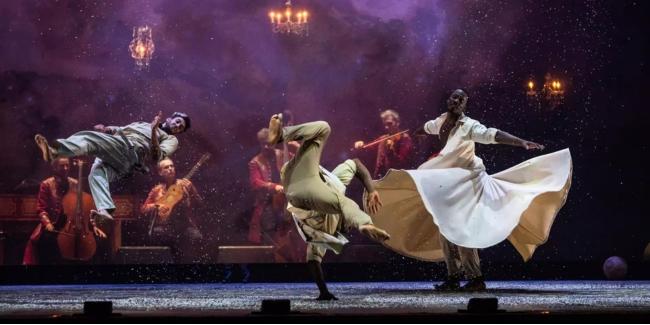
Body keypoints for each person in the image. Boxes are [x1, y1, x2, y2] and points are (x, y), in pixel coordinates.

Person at [369, 89, 572, 291]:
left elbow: (493, 135)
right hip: (450, 184)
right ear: (449, 101)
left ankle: (476, 278)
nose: (457, 101)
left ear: (465, 104)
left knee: (462, 230)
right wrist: (414, 130)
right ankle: (453, 276)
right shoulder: (441, 121)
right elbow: (425, 128)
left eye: (461, 99)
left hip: (469, 182)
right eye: (454, 98)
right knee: (445, 227)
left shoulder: (469, 126)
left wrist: (520, 142)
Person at [268, 114, 390, 300]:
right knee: (322, 129)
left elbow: (313, 260)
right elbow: (356, 164)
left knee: (344, 203)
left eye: (348, 226)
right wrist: (371, 189)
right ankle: (282, 134)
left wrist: (323, 291)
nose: (346, 225)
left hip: (300, 188)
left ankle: (364, 223)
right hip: (301, 173)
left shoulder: (326, 232)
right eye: (350, 224)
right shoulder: (337, 184)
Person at [34, 111, 191, 226]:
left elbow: (157, 156)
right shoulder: (142, 124)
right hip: (120, 156)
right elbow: (120, 130)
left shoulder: (171, 139)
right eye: (177, 122)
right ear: (170, 118)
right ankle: (105, 210)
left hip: (131, 152)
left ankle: (55, 151)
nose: (178, 126)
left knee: (89, 139)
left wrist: (154, 131)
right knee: (96, 175)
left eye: (181, 127)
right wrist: (106, 129)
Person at [22, 157, 106, 265]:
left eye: (67, 165)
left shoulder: (75, 183)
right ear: (55, 167)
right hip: (54, 224)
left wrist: (93, 226)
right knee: (47, 242)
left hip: (72, 225)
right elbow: (41, 209)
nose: (65, 168)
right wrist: (47, 224)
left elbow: (83, 209)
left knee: (98, 243)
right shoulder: (46, 184)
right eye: (62, 166)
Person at [140, 158, 203, 263]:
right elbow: (143, 209)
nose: (170, 169)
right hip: (165, 227)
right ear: (160, 172)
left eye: (172, 166)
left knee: (197, 237)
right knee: (159, 237)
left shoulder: (185, 185)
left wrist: (192, 190)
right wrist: (156, 206)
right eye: (166, 167)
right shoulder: (157, 190)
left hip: (184, 226)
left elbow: (200, 204)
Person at [372, 109, 414, 178]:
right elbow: (370, 147)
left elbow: (400, 164)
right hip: (380, 178)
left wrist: (390, 151)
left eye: (389, 124)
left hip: (396, 180)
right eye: (385, 124)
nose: (386, 127)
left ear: (397, 122)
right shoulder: (383, 138)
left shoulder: (405, 139)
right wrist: (361, 145)